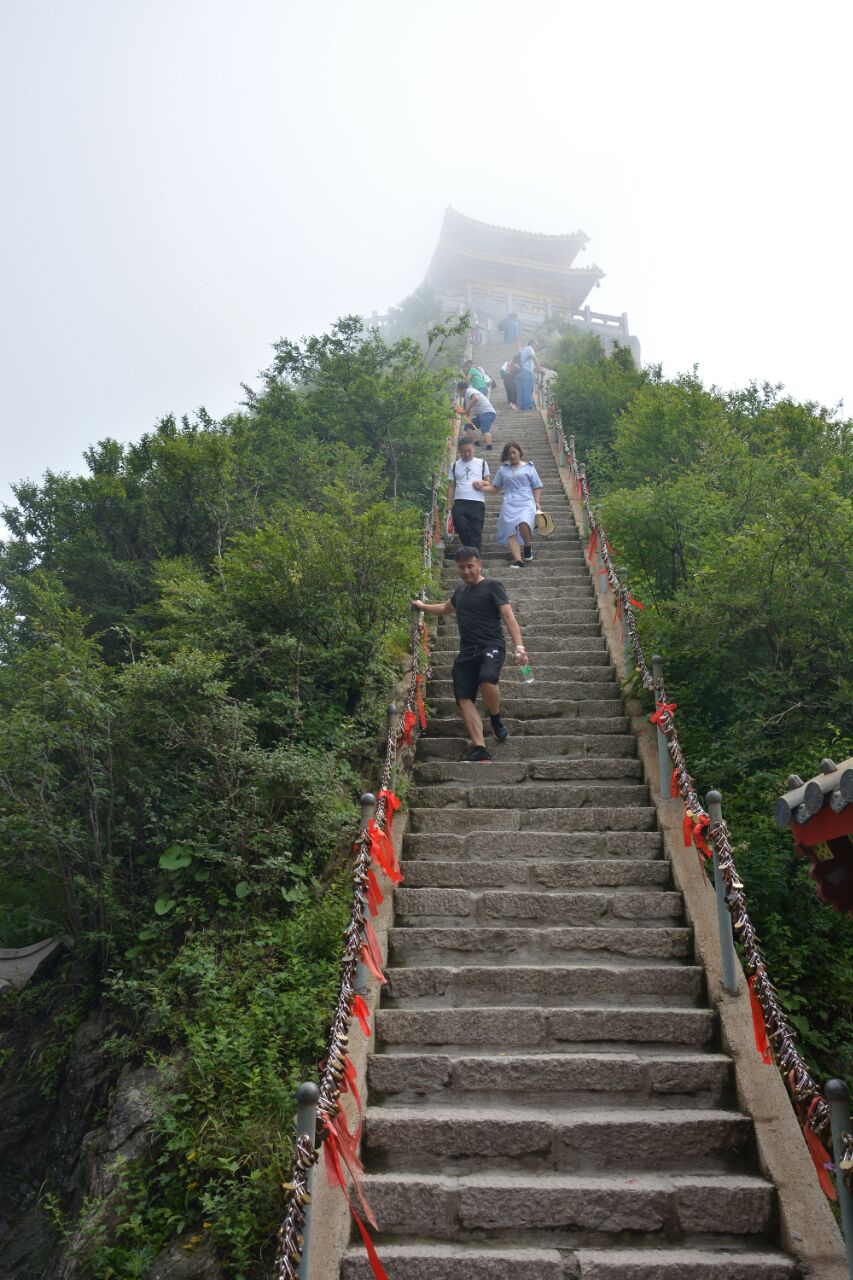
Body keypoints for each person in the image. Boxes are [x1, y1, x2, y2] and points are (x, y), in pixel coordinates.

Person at [412, 546, 529, 762]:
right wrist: (422, 606)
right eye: (462, 567)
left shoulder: (493, 586)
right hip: (467, 651)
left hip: (491, 646)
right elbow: (445, 608)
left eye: (470, 566)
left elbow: (508, 616)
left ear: (479, 564)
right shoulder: (460, 592)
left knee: (487, 679)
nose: (466, 571)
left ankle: (495, 718)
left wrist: (519, 646)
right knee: (463, 697)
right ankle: (480, 747)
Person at [474, 441, 542, 568]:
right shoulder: (503, 469)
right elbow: (495, 487)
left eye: (514, 452)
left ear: (519, 453)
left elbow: (537, 486)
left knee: (523, 522)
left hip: (526, 500)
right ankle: (518, 561)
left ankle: (527, 547)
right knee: (510, 530)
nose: (511, 455)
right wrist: (481, 488)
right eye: (509, 453)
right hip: (509, 501)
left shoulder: (529, 467)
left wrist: (537, 502)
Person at [448, 438, 489, 551]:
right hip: (460, 502)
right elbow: (452, 485)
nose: (466, 454)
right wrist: (449, 504)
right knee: (461, 527)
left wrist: (482, 482)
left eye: (469, 450)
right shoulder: (454, 465)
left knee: (476, 531)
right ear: (459, 451)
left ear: (473, 449)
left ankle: (474, 557)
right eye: (463, 451)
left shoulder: (482, 463)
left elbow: (488, 482)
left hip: (477, 503)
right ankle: (471, 551)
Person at [456, 380, 497, 449]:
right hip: (480, 416)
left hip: (487, 412)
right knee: (467, 426)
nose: (459, 393)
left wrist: (466, 410)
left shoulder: (469, 390)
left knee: (484, 429)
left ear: (461, 389)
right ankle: (476, 442)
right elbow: (467, 413)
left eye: (458, 391)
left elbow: (475, 399)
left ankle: (489, 446)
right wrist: (461, 412)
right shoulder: (466, 398)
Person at [515, 339, 544, 410]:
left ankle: (521, 406)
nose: (537, 346)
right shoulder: (529, 348)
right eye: (536, 344)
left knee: (521, 389)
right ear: (532, 343)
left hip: (519, 372)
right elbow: (533, 357)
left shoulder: (523, 350)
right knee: (527, 388)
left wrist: (534, 368)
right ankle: (527, 406)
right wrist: (539, 368)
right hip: (526, 372)